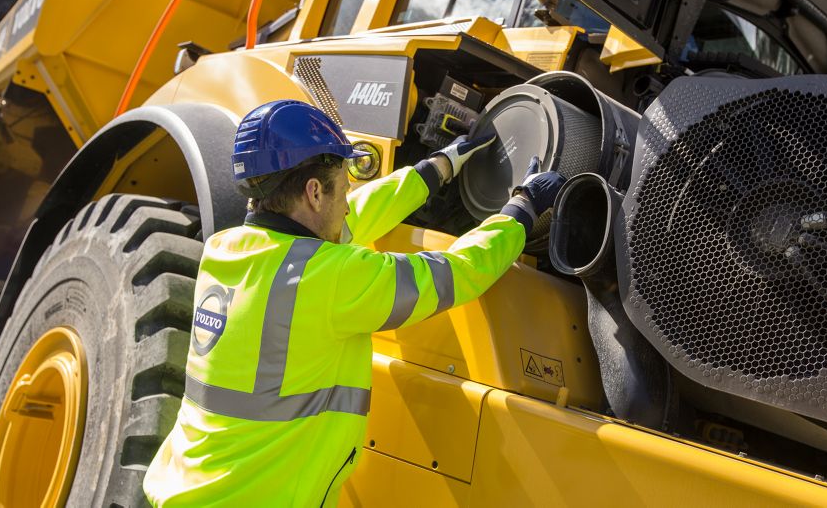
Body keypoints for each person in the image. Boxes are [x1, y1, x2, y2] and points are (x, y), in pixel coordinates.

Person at [143, 100, 565, 507]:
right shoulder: (330, 279)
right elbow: (456, 271)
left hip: (186, 490)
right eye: (343, 188)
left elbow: (347, 222)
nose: (346, 202)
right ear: (313, 192)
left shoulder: (227, 250)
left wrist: (435, 169)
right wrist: (522, 208)